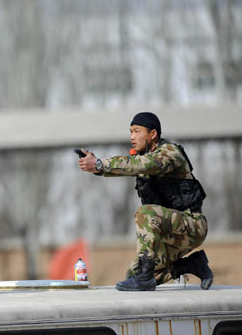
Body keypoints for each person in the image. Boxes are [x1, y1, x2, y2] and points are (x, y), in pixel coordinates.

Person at [77, 112, 213, 291]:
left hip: (191, 226)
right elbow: (127, 166)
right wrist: (96, 165)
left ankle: (146, 278)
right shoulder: (143, 158)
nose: (132, 137)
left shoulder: (170, 153)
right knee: (133, 275)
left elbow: (142, 164)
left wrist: (100, 164)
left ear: (153, 134)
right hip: (166, 232)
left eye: (137, 131)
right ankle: (192, 265)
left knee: (145, 213)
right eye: (130, 132)